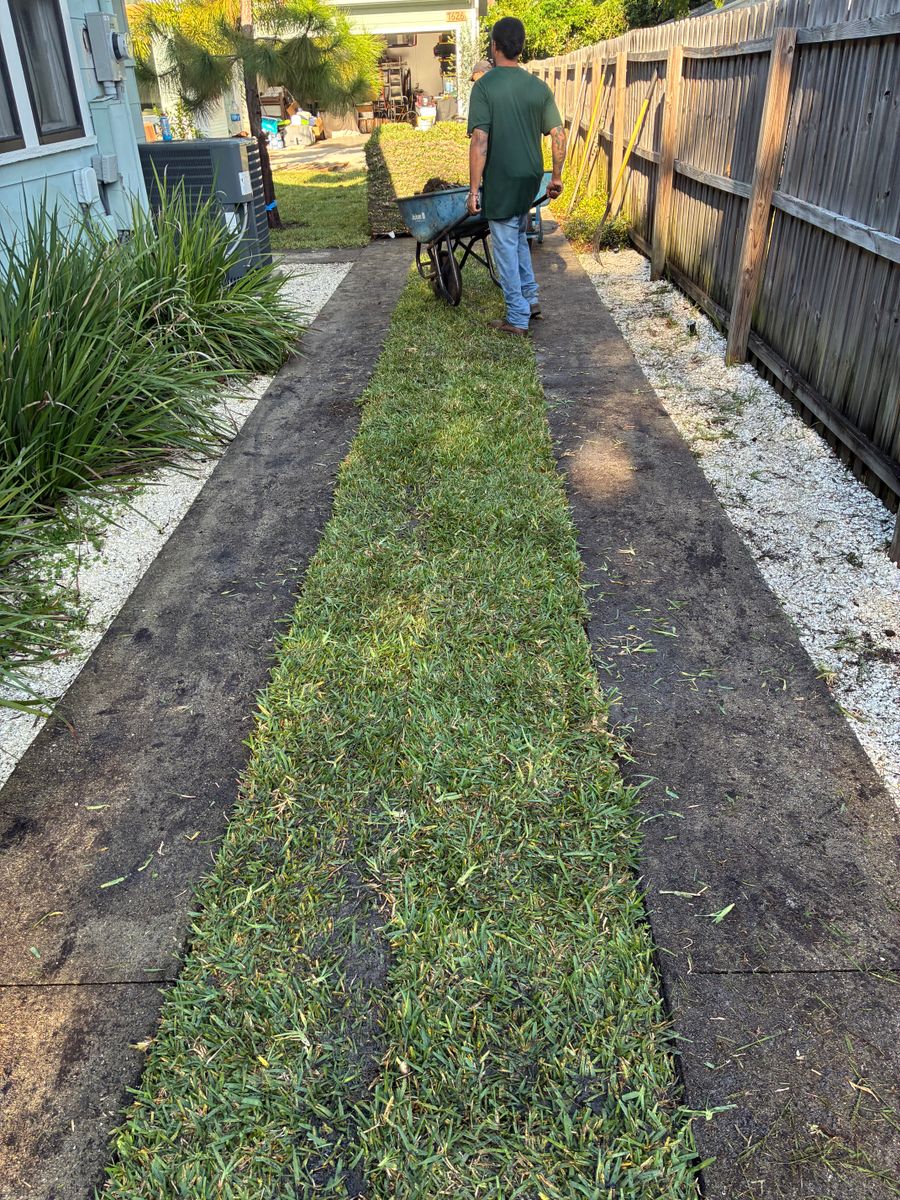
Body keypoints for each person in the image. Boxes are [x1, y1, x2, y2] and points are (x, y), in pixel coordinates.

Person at [466, 17, 566, 335]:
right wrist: (557, 177)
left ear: (494, 46)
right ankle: (531, 297)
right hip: (530, 178)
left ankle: (517, 316)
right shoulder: (537, 87)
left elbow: (480, 141)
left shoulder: (484, 87)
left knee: (505, 245)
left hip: (503, 178)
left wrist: (473, 191)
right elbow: (559, 135)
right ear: (520, 48)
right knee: (519, 235)